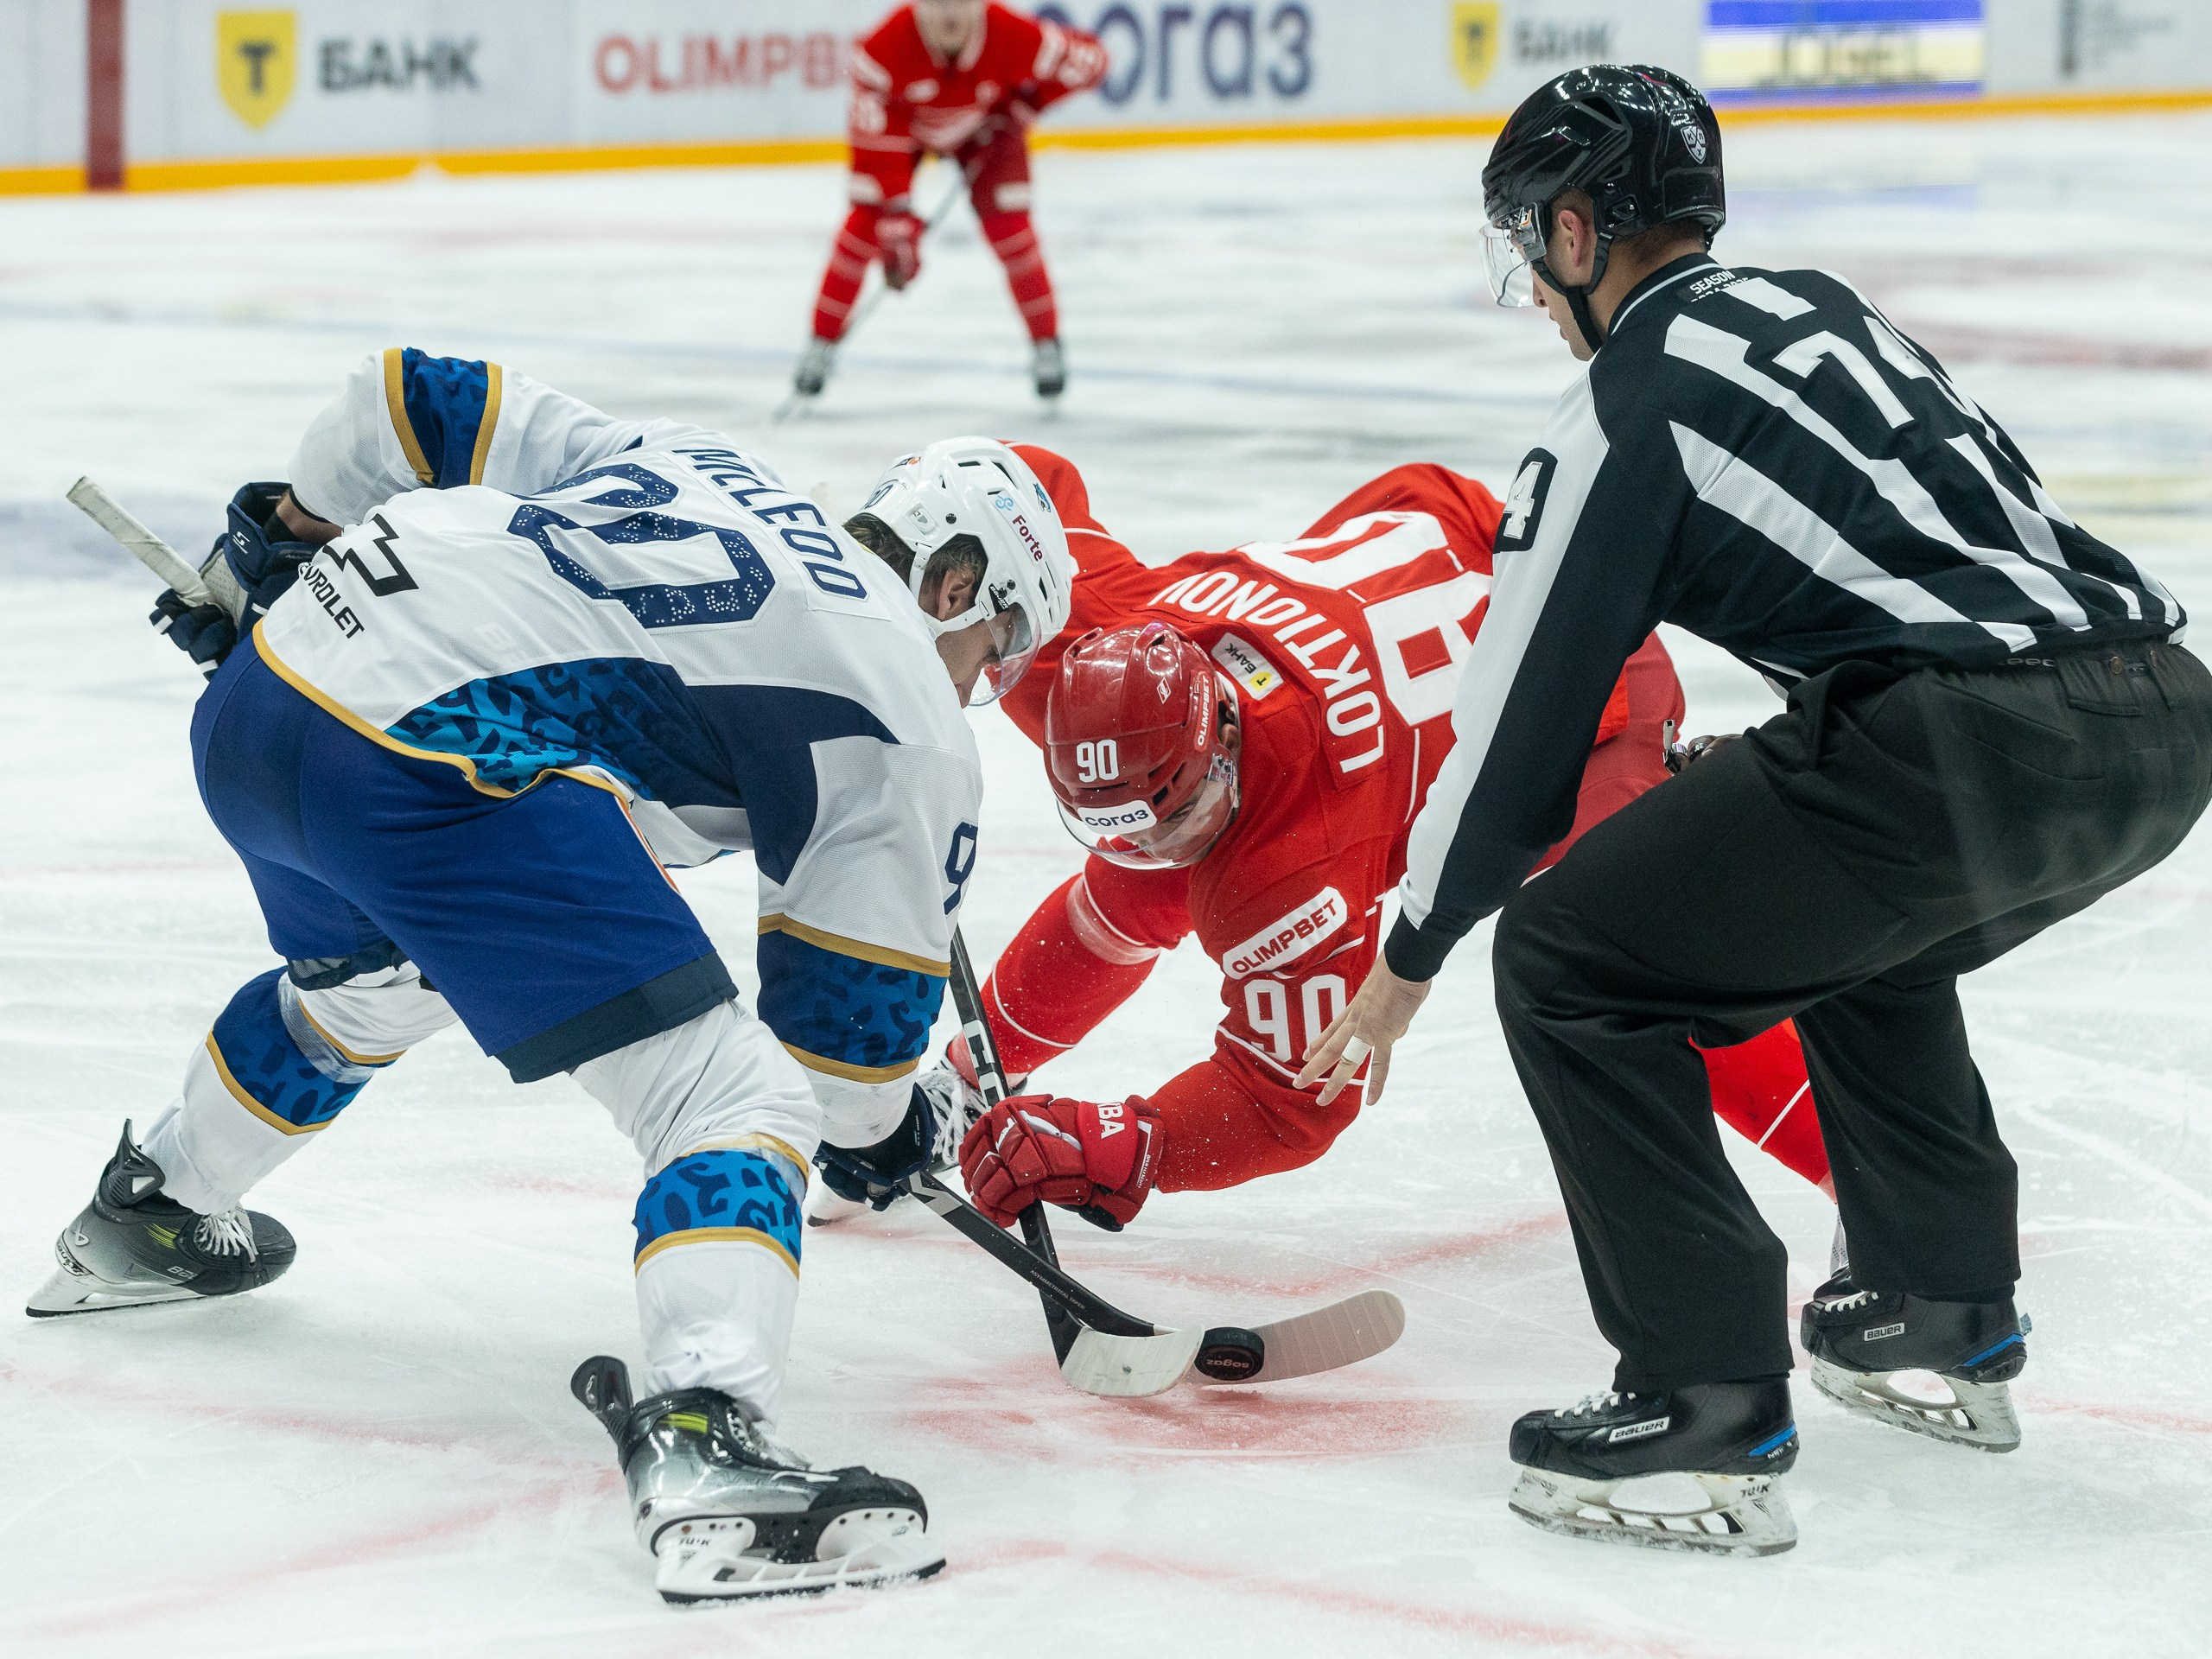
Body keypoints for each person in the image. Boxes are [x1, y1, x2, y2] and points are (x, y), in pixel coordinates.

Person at [1300, 64, 2212, 1554]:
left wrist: (1413, 950)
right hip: (2163, 713)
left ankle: (1700, 1398)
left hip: (1960, 742)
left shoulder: (1627, 399)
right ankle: (1937, 1302)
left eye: (1534, 242)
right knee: (1859, 932)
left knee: (1568, 964)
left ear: (1583, 229)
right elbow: (1972, 555)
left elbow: (1521, 718)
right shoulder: (1820, 311)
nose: (1533, 285)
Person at [27, 347, 1075, 1601]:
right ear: (958, 581)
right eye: (1001, 642)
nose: (991, 684)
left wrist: (282, 545)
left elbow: (408, 397)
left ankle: (153, 1210)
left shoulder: (704, 459)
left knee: (372, 988)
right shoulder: (909, 707)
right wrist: (909, 1128)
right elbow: (840, 1070)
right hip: (430, 764)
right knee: (731, 1102)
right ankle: (709, 1443)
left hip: (266, 693)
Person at [804, 446, 1829, 1231]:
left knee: (1629, 960)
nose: (1160, 845)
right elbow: (1021, 484)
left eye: (1177, 814)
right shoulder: (1090, 638)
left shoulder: (1299, 857)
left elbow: (1290, 1099)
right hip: (1430, 536)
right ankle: (968, 1080)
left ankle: (1865, 1194)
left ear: (1220, 747)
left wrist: (1128, 1142)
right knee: (1144, 881)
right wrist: (900, 608)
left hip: (1588, 687)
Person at [792, 0, 1107, 404]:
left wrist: (1027, 103)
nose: (951, 14)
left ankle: (1047, 345)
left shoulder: (1011, 33)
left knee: (1012, 230)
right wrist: (897, 213)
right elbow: (876, 143)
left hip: (988, 133)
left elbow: (1092, 62)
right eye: (939, 3)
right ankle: (820, 343)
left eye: (961, 1)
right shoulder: (881, 49)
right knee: (863, 227)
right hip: (905, 133)